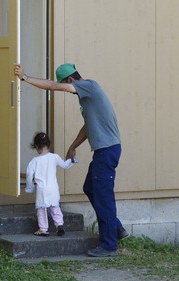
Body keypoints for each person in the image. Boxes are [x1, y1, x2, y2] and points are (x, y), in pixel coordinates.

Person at [14, 63, 128, 257]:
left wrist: (25, 78)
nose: (68, 91)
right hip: (104, 151)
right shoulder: (87, 99)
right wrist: (73, 146)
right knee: (90, 188)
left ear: (70, 80)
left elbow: (52, 86)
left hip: (107, 151)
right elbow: (88, 127)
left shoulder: (88, 86)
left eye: (66, 86)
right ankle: (115, 228)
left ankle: (109, 245)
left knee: (104, 197)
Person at [26, 132, 77, 237]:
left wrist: (30, 188)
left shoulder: (34, 161)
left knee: (41, 210)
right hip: (53, 189)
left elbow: (29, 175)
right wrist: (72, 160)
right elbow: (64, 165)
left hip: (42, 189)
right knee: (55, 207)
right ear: (49, 145)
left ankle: (43, 229)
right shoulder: (55, 157)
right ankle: (59, 225)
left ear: (36, 147)